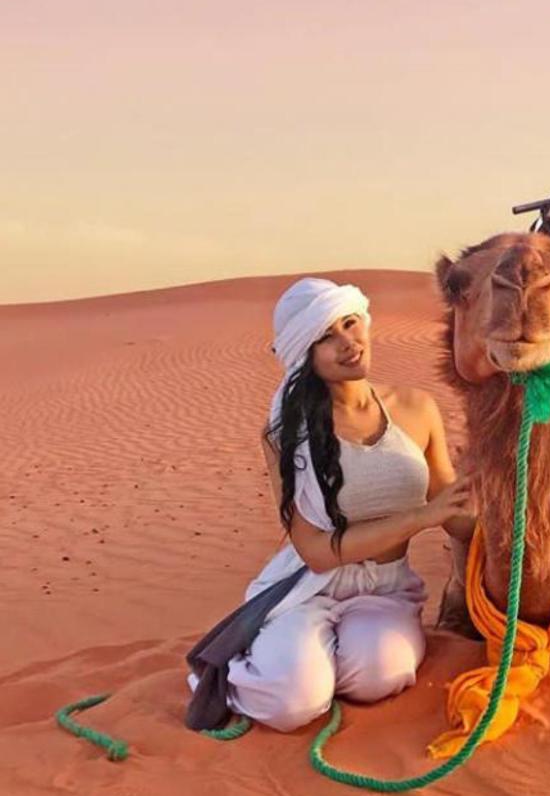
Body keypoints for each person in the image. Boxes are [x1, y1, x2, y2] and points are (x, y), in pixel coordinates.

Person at [186, 277, 475, 732]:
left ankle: (315, 665)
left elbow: (456, 515)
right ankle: (249, 673)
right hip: (310, 586)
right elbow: (317, 551)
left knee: (383, 675)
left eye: (350, 323)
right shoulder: (287, 433)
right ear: (304, 353)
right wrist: (420, 518)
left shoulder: (417, 409)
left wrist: (499, 496)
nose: (348, 343)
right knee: (292, 705)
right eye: (326, 336)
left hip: (385, 589)